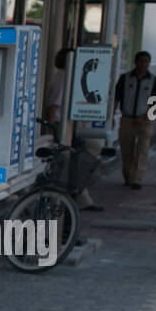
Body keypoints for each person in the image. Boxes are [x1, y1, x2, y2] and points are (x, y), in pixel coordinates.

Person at [42, 48, 100, 211]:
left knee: (77, 157)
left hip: (68, 123)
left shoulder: (69, 76)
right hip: (62, 123)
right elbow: (53, 106)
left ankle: (79, 197)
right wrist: (52, 129)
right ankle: (75, 198)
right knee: (71, 158)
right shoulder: (63, 77)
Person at [114, 51, 156, 189]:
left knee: (142, 149)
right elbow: (116, 98)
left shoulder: (154, 81)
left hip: (145, 121)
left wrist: (146, 118)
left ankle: (137, 178)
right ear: (135, 62)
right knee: (126, 150)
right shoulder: (125, 79)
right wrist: (111, 117)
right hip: (127, 119)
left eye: (146, 61)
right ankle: (128, 176)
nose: (143, 64)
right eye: (141, 61)